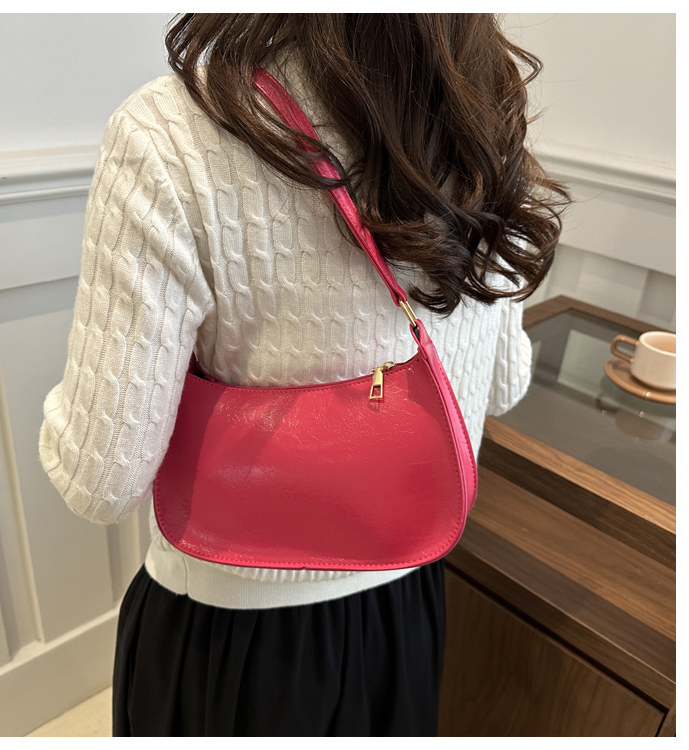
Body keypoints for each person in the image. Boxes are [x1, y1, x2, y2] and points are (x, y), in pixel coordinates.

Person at [39, 13, 568, 737]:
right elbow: (505, 383)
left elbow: (99, 482)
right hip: (407, 602)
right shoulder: (488, 120)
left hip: (234, 639)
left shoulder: (170, 132)